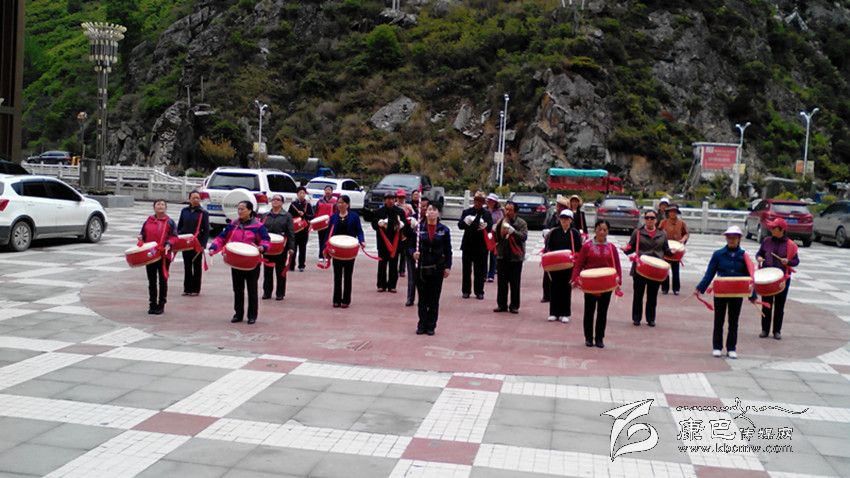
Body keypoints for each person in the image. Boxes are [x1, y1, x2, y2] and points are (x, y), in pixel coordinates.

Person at [209, 201, 270, 325]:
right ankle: (238, 314)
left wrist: (262, 248)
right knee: (237, 289)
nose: (240, 211)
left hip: (252, 263)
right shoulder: (234, 224)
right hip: (236, 261)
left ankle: (252, 315)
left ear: (250, 210)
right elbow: (221, 238)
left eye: (242, 209)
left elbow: (266, 240)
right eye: (239, 209)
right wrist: (213, 247)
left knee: (252, 289)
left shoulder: (258, 226)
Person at [695, 226, 751, 359]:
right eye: (729, 237)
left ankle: (731, 348)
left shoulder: (744, 256)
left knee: (733, 321)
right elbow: (710, 273)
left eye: (734, 238)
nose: (731, 240)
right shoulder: (718, 254)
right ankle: (717, 347)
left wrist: (752, 295)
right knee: (718, 320)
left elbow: (750, 276)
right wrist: (700, 288)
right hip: (721, 291)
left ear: (739, 239)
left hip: (736, 292)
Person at [571, 219, 622, 348]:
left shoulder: (611, 248)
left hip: (606, 284)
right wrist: (575, 278)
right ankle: (588, 338)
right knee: (589, 310)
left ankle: (599, 338)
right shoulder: (587, 246)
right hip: (590, 284)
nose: (602, 232)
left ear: (608, 231)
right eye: (600, 229)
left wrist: (618, 281)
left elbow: (617, 265)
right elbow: (579, 264)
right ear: (595, 230)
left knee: (602, 312)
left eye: (605, 230)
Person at [623, 210, 673, 326]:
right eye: (647, 218)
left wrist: (673, 252)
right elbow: (631, 247)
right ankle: (636, 318)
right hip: (640, 267)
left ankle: (651, 318)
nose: (649, 220)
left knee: (652, 295)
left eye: (652, 218)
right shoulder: (637, 232)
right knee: (638, 294)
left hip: (656, 269)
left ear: (656, 220)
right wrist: (625, 249)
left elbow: (666, 249)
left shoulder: (662, 233)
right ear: (644, 219)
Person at [755, 218, 799, 340]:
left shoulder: (790, 244)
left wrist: (788, 261)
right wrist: (759, 258)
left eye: (774, 228)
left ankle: (777, 331)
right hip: (767, 278)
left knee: (779, 306)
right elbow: (759, 254)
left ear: (781, 230)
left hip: (782, 279)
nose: (771, 229)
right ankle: (765, 329)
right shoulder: (767, 241)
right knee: (766, 304)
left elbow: (796, 261)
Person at [412, 203, 452, 335]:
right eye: (429, 209)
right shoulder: (418, 229)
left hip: (437, 268)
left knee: (434, 299)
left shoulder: (444, 230)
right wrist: (413, 253)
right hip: (422, 268)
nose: (431, 212)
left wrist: (448, 266)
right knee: (422, 298)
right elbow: (410, 246)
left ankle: (431, 325)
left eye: (434, 210)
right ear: (425, 212)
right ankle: (421, 324)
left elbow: (448, 250)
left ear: (438, 213)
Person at [137, 199, 177, 315]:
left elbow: (174, 236)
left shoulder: (170, 222)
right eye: (158, 204)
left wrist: (169, 243)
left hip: (163, 254)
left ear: (166, 207)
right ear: (154, 207)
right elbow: (143, 234)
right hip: (150, 255)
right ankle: (152, 304)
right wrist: (141, 238)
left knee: (163, 280)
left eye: (163, 204)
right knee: (152, 280)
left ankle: (161, 304)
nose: (160, 206)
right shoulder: (148, 221)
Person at [543, 209, 583, 323]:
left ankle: (565, 313)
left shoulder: (574, 233)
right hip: (555, 264)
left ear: (571, 220)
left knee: (566, 288)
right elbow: (548, 248)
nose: (564, 221)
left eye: (566, 219)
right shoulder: (554, 232)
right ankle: (553, 312)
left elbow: (579, 249)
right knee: (554, 287)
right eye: (562, 219)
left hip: (568, 265)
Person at [328, 195, 365, 308]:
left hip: (349, 250)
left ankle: (346, 300)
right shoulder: (333, 217)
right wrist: (326, 247)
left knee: (348, 276)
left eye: (342, 202)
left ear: (347, 204)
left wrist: (362, 241)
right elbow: (329, 233)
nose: (340, 205)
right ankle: (336, 299)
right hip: (337, 250)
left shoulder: (354, 217)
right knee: (337, 275)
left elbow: (359, 231)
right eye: (338, 202)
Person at [493, 201, 528, 313]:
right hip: (502, 255)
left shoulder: (521, 223)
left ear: (515, 211)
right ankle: (501, 305)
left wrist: (513, 232)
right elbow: (496, 238)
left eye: (510, 210)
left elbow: (524, 237)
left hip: (516, 257)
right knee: (502, 283)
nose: (507, 212)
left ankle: (514, 306)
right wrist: (495, 230)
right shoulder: (501, 221)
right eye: (506, 209)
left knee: (515, 283)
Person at [458, 191, 493, 300]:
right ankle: (466, 291)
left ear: (483, 203)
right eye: (476, 201)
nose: (478, 203)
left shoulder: (486, 214)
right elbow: (460, 225)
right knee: (466, 270)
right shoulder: (467, 212)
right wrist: (465, 222)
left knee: (480, 270)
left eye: (480, 201)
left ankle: (479, 291)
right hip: (468, 244)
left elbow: (490, 227)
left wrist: (486, 226)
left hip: (481, 245)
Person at [262, 194, 295, 301]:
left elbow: (290, 232)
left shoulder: (287, 216)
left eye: (278, 200)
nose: (275, 201)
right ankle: (267, 292)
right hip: (268, 247)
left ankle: (280, 293)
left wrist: (291, 247)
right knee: (267, 271)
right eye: (273, 199)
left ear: (282, 202)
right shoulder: (266, 215)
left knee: (280, 271)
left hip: (281, 247)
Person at [177, 191, 209, 296]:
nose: (195, 200)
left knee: (196, 266)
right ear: (189, 199)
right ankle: (187, 288)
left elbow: (206, 230)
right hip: (185, 242)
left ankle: (196, 289)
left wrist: (203, 245)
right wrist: (178, 238)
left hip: (197, 243)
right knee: (187, 265)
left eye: (197, 198)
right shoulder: (184, 211)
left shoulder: (203, 213)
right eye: (193, 198)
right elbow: (180, 226)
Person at [372, 192, 406, 292]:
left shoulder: (400, 211)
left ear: (395, 200)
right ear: (384, 200)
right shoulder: (379, 211)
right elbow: (374, 224)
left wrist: (402, 225)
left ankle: (392, 285)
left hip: (395, 242)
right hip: (383, 242)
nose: (390, 201)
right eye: (387, 199)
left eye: (392, 199)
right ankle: (381, 285)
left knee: (394, 264)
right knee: (382, 264)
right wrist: (379, 224)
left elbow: (405, 225)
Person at [541, 196, 569, 302]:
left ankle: (560, 295)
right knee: (547, 273)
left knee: (562, 274)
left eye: (561, 206)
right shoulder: (552, 216)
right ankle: (546, 295)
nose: (558, 208)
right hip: (551, 248)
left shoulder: (569, 219)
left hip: (563, 250)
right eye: (558, 205)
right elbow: (546, 226)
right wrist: (546, 232)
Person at [659, 203, 689, 295]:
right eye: (671, 212)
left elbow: (686, 234)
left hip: (676, 248)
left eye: (674, 212)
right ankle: (665, 288)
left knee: (675, 270)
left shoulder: (682, 223)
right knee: (665, 268)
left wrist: (682, 240)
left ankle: (676, 288)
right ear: (668, 213)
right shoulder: (663, 222)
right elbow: (658, 232)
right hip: (666, 248)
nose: (673, 213)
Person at [288, 186, 313, 272]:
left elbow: (312, 216)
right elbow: (289, 216)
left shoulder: (308, 205)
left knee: (303, 248)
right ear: (297, 194)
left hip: (304, 229)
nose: (302, 195)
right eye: (300, 193)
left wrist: (304, 214)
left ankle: (301, 265)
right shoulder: (293, 205)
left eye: (303, 193)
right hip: (294, 229)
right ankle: (291, 265)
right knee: (293, 248)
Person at [315, 185, 338, 263]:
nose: (328, 191)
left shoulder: (335, 201)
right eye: (326, 190)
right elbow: (316, 212)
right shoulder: (320, 201)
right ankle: (321, 255)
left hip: (330, 223)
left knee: (328, 240)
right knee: (321, 240)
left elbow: (336, 213)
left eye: (329, 190)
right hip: (320, 224)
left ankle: (327, 255)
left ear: (332, 191)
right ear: (324, 191)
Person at [396, 188, 415, 278]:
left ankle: (402, 269)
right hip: (396, 231)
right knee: (395, 251)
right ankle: (394, 268)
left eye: (402, 197)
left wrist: (410, 211)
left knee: (404, 252)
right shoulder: (394, 206)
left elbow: (414, 216)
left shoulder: (408, 206)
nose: (401, 199)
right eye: (399, 197)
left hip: (406, 231)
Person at [486, 193, 504, 283]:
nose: (490, 202)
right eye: (489, 200)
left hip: (494, 235)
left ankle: (491, 275)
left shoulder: (499, 212)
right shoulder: (484, 210)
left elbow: (500, 222)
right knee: (484, 255)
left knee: (493, 255)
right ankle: (484, 273)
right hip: (485, 234)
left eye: (492, 201)